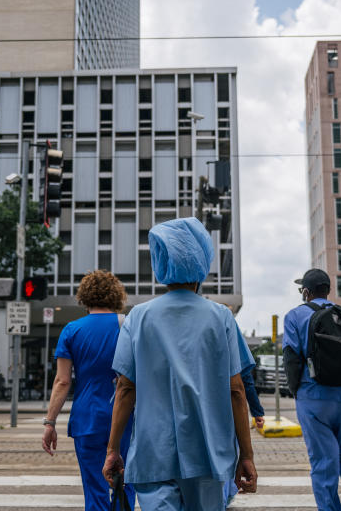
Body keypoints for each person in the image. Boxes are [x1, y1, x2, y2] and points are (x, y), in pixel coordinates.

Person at [103, 217, 257, 510]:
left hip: (153, 453)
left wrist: (113, 450)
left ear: (161, 263)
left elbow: (125, 389)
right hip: (208, 452)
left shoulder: (138, 317)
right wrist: (246, 456)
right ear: (201, 262)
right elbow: (236, 390)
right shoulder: (221, 317)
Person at [283, 268, 341, 511]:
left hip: (313, 399)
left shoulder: (295, 316)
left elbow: (292, 361)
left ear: (305, 291)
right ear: (328, 290)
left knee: (324, 464)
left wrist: (298, 393)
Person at [41, 270, 135, 511]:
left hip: (87, 418)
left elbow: (62, 382)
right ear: (116, 295)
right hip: (125, 416)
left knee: (94, 488)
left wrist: (50, 422)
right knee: (125, 483)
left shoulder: (71, 330)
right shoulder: (129, 326)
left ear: (84, 297)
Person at [223, 329, 265, 507]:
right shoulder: (226, 326)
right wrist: (247, 455)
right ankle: (226, 495)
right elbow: (240, 386)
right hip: (221, 417)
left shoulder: (140, 317)